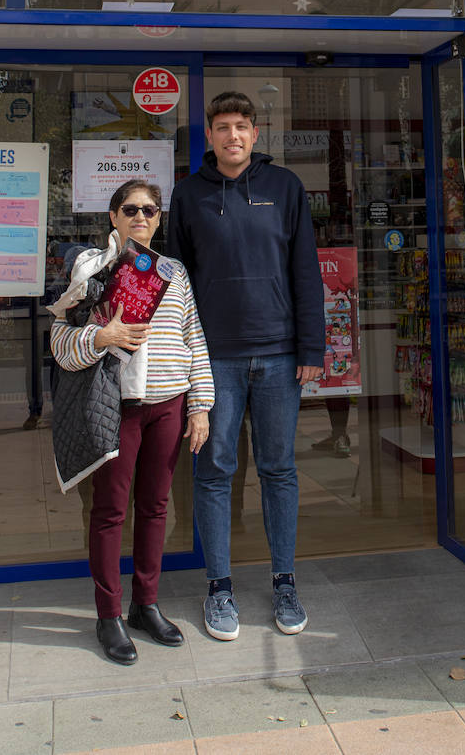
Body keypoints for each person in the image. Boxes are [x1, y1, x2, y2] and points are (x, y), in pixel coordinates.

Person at [167, 90, 324, 639]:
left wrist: (311, 348)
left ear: (256, 134)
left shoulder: (285, 188)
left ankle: (284, 581)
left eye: (242, 126)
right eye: (222, 127)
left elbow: (306, 271)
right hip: (214, 363)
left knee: (279, 470)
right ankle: (219, 588)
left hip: (280, 357)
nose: (232, 135)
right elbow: (176, 286)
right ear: (208, 136)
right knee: (214, 474)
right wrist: (183, 358)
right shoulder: (186, 196)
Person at [50, 181, 214, 666]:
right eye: (130, 209)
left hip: (168, 402)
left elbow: (194, 338)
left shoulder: (173, 272)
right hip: (117, 404)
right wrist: (102, 335)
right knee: (110, 511)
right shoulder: (89, 270)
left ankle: (146, 604)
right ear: (113, 217)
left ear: (159, 219)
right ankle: (109, 615)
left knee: (156, 507)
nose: (140, 216)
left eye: (149, 210)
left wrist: (200, 403)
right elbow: (60, 341)